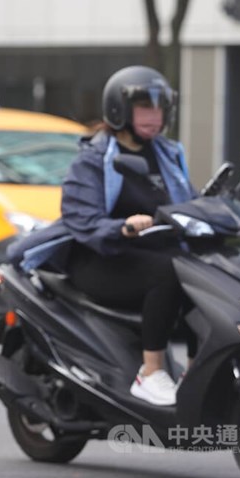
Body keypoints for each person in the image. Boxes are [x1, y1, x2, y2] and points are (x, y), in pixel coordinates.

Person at [59, 65, 197, 407]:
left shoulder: (168, 154)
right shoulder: (93, 159)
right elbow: (81, 218)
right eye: (144, 107)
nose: (155, 116)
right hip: (100, 259)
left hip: (150, 254)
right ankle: (150, 372)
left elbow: (190, 202)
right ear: (120, 110)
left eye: (160, 108)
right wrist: (122, 226)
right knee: (169, 271)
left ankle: (196, 372)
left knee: (205, 271)